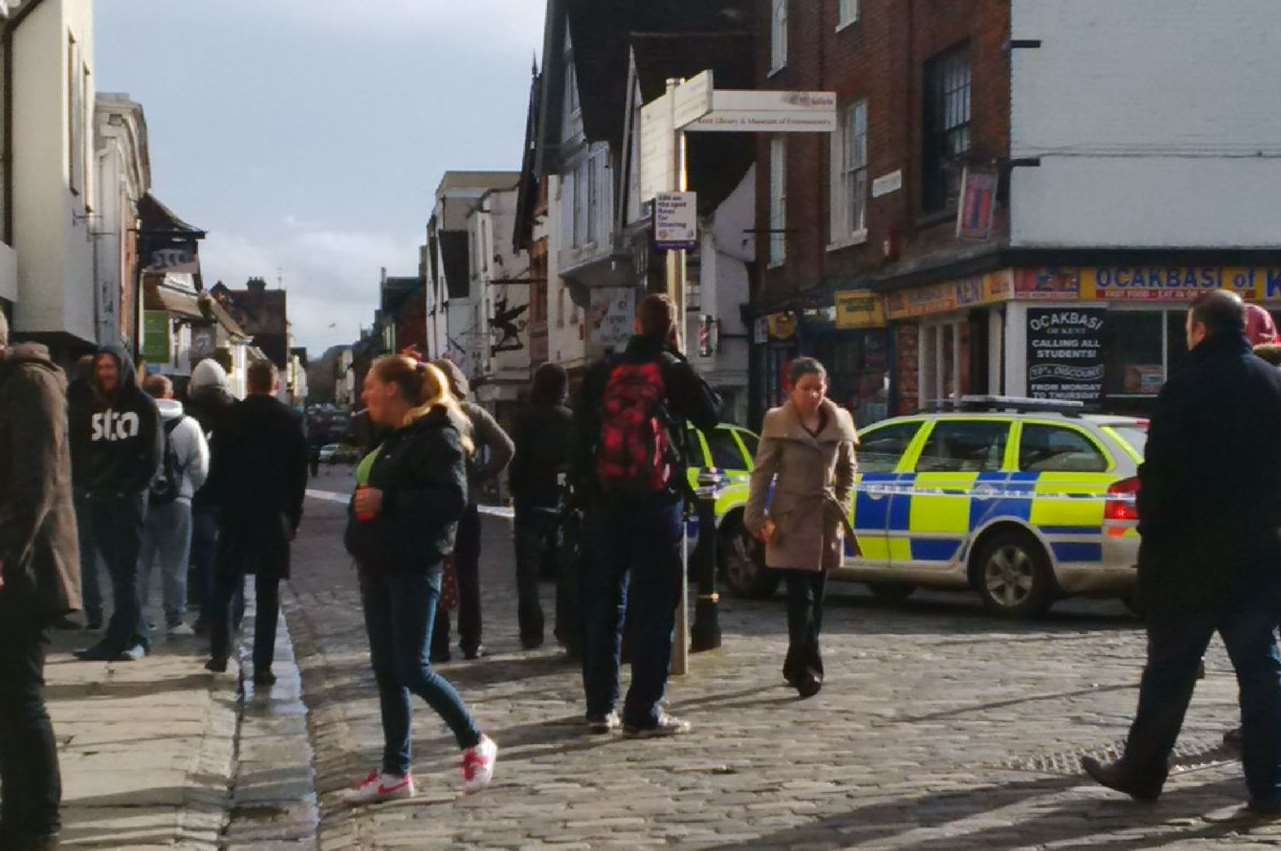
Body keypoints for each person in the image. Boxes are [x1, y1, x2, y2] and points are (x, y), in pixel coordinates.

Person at [1083, 290, 1281, 815]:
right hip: (1258, 558)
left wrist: (1155, 538)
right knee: (1262, 674)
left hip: (1187, 561)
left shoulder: (1182, 389)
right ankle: (1270, 785)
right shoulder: (1274, 386)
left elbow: (1162, 478)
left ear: (1197, 330)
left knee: (1170, 673)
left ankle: (1143, 770)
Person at [344, 355, 497, 800]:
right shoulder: (398, 436)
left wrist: (386, 501)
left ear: (393, 389)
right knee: (387, 671)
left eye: (371, 385)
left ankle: (475, 741)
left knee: (413, 667)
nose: (364, 394)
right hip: (378, 565)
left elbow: (451, 500)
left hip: (413, 566)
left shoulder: (439, 436)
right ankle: (396, 773)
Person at [573, 294, 721, 737]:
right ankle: (644, 710)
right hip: (657, 502)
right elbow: (712, 415)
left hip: (605, 502)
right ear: (672, 328)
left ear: (636, 324)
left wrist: (585, 491)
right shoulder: (672, 370)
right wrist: (681, 360)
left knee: (603, 604)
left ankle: (600, 707)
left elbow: (579, 436)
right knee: (656, 606)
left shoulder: (602, 372)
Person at [0, 310, 81, 851]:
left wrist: (6, 554)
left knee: (21, 694)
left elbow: (37, 482)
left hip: (25, 569)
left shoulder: (31, 383)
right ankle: (20, 810)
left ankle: (39, 820)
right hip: (16, 563)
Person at [744, 358, 857, 699]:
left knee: (817, 598)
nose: (813, 395)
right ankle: (810, 669)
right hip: (791, 519)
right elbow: (762, 471)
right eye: (806, 388)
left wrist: (842, 506)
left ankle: (795, 663)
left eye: (819, 388)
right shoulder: (778, 422)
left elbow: (849, 471)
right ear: (791, 389)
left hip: (824, 519)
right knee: (800, 598)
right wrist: (755, 515)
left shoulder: (840, 423)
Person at [205, 359, 308, 685]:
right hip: (272, 514)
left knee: (224, 584)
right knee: (268, 592)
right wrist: (294, 516)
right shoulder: (291, 420)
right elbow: (298, 476)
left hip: (235, 513)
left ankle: (220, 653)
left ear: (248, 384)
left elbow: (216, 468)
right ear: (275, 384)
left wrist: (215, 506)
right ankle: (263, 665)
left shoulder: (228, 418)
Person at [71, 346, 163, 662]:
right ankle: (127, 635)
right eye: (101, 367)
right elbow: (78, 450)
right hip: (98, 498)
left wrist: (131, 490)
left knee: (128, 572)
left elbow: (152, 456)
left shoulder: (144, 406)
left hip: (128, 501)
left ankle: (132, 638)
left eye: (110, 366)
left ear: (122, 368)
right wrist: (85, 486)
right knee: (117, 573)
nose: (105, 373)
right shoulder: (89, 406)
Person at [431, 358, 514, 662]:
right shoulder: (473, 414)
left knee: (435, 571)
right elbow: (506, 447)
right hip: (467, 503)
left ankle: (437, 644)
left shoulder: (426, 414)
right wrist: (481, 474)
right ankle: (471, 640)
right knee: (468, 575)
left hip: (434, 506)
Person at [138, 374, 209, 637]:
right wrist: (188, 489)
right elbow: (201, 466)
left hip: (142, 500)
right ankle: (176, 618)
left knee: (140, 563)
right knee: (175, 563)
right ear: (170, 395)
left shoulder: (139, 422)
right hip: (179, 502)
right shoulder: (189, 425)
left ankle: (141, 617)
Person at [509, 363, 574, 651]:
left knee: (528, 573)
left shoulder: (524, 419)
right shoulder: (571, 420)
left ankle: (531, 632)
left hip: (529, 500)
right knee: (565, 569)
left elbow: (516, 459)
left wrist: (515, 488)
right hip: (561, 500)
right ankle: (565, 628)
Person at [184, 358, 241, 635]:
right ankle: (233, 615)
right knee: (234, 561)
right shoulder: (240, 413)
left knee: (205, 561)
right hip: (234, 498)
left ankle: (210, 616)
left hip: (202, 498)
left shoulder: (189, 415)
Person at [66, 354, 103, 631]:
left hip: (75, 482)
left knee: (83, 552)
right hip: (104, 483)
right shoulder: (105, 403)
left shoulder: (68, 402)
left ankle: (90, 609)